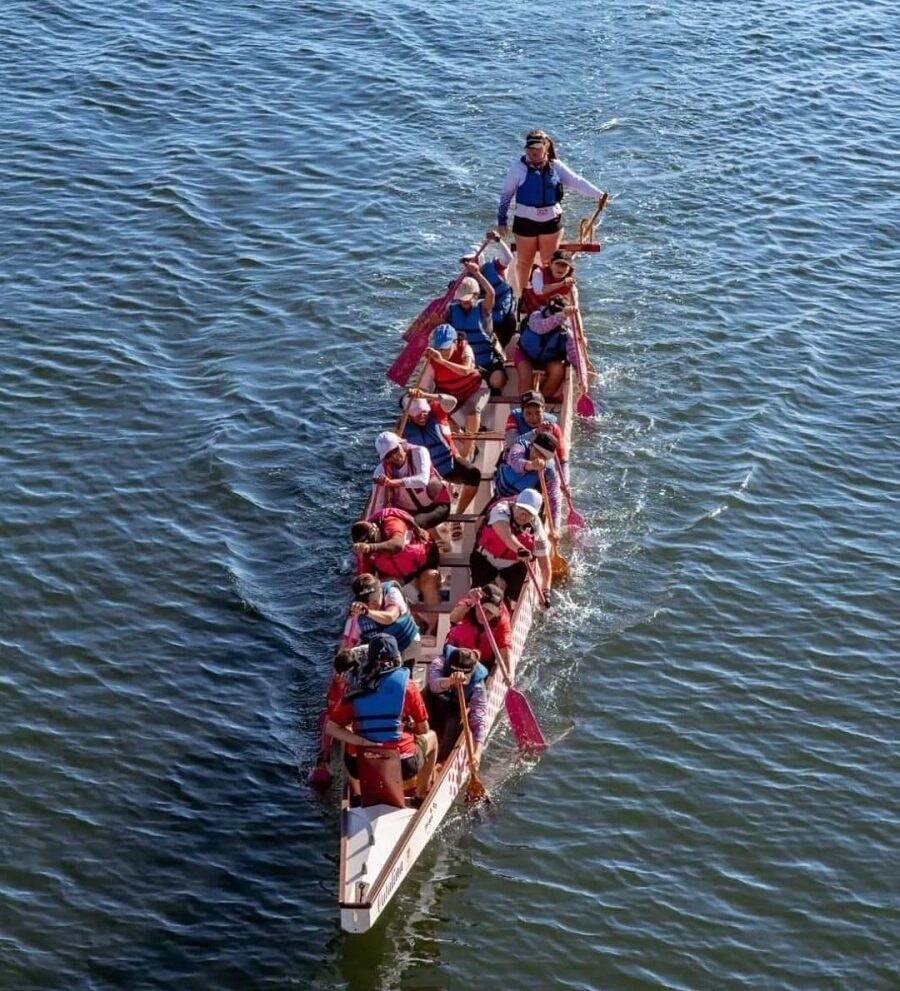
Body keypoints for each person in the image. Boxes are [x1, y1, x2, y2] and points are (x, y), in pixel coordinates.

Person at [325, 633, 438, 807]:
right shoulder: (408, 686)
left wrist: (362, 741)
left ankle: (356, 796)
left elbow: (331, 728)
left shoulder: (355, 686)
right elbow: (423, 729)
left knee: (344, 740)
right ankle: (419, 796)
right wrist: (409, 726)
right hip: (403, 763)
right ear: (396, 657)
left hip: (361, 763)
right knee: (433, 737)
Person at [497, 128, 606, 295]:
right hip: (525, 223)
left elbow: (577, 182)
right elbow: (506, 194)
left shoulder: (556, 167)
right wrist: (502, 220)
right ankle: (522, 297)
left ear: (546, 148)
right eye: (530, 148)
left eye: (538, 148)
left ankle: (547, 298)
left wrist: (599, 195)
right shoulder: (517, 168)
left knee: (548, 263)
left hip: (551, 223)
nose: (533, 152)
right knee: (525, 262)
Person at [401, 391, 482, 537]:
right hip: (428, 474)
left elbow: (451, 401)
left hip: (450, 464)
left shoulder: (437, 413)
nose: (423, 416)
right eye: (417, 413)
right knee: (417, 501)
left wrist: (427, 395)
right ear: (409, 415)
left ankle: (457, 516)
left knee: (473, 474)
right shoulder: (402, 429)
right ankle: (435, 536)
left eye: (424, 411)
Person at [351, 507, 442, 627]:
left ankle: (433, 627)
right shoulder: (366, 554)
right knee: (386, 588)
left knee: (428, 580)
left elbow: (397, 545)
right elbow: (366, 578)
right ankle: (412, 621)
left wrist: (372, 547)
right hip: (399, 573)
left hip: (424, 559)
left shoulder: (392, 521)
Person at [420, 323, 490, 461]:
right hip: (453, 395)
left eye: (446, 347)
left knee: (472, 409)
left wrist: (442, 361)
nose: (443, 352)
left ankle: (466, 456)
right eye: (440, 348)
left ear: (455, 342)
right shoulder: (432, 361)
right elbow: (423, 388)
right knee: (438, 416)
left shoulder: (465, 349)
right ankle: (470, 445)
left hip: (475, 389)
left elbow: (466, 370)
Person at [469, 489, 552, 604]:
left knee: (513, 597)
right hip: (484, 560)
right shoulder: (500, 510)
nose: (523, 516)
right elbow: (507, 536)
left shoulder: (537, 527)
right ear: (515, 504)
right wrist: (520, 549)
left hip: (512, 566)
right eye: (521, 509)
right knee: (481, 597)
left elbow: (545, 566)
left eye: (528, 513)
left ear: (534, 515)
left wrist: (545, 591)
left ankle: (509, 602)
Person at [445, 260, 507, 391]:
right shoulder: (451, 310)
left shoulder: (484, 307)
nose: (464, 301)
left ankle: (492, 391)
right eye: (461, 299)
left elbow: (491, 293)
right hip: (465, 361)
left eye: (468, 298)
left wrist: (477, 273)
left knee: (497, 381)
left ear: (476, 295)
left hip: (488, 360)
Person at [372, 431, 451, 535]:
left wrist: (392, 483)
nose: (394, 457)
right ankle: (436, 539)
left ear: (401, 443)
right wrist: (375, 525)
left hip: (438, 505)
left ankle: (433, 543)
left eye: (395, 450)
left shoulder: (420, 452)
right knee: (397, 529)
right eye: (388, 456)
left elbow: (422, 480)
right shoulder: (381, 471)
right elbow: (378, 503)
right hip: (410, 511)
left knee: (414, 524)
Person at [424, 647, 488, 765]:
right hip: (432, 699)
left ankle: (439, 762)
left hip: (454, 709)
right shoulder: (439, 662)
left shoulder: (477, 685)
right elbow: (433, 685)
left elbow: (479, 719)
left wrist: (477, 754)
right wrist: (450, 681)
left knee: (453, 730)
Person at [494, 428, 562, 533]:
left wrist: (555, 529)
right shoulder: (520, 446)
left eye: (543, 456)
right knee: (480, 523)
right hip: (499, 490)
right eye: (537, 451)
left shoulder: (549, 469)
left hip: (520, 502)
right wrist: (531, 465)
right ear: (531, 445)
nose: (539, 457)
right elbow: (515, 462)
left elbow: (554, 498)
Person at [349, 573, 420, 668]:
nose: (371, 605)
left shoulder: (392, 592)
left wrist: (367, 612)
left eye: (374, 601)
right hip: (381, 651)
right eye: (366, 602)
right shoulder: (355, 609)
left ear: (380, 591)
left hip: (406, 643)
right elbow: (348, 641)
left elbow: (391, 617)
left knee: (401, 675)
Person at [516, 295, 578, 400]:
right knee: (525, 373)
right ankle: (525, 404)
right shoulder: (536, 316)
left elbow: (573, 356)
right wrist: (561, 315)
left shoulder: (567, 332)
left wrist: (580, 372)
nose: (550, 315)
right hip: (525, 354)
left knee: (558, 370)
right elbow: (542, 327)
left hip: (549, 359)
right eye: (550, 312)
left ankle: (542, 402)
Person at [504, 390, 569, 488]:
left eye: (537, 413)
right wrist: (535, 432)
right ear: (522, 411)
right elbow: (510, 444)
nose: (534, 418)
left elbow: (562, 460)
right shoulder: (513, 418)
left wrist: (565, 483)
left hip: (542, 469)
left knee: (551, 465)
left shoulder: (553, 427)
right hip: (514, 462)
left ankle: (552, 490)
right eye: (528, 413)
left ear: (543, 409)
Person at [445, 583, 512, 674]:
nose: (484, 614)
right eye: (483, 609)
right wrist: (470, 603)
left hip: (481, 663)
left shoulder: (502, 621)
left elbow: (505, 648)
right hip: (455, 654)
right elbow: (453, 618)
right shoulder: (469, 603)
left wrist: (509, 673)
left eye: (489, 612)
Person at [478, 231, 517, 347]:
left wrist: (498, 241)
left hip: (503, 316)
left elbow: (509, 258)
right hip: (484, 318)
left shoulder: (494, 267)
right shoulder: (465, 279)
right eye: (466, 261)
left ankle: (501, 348)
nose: (470, 264)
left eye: (474, 260)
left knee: (511, 321)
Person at [520, 249, 577, 317]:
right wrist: (562, 284)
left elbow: (575, 308)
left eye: (564, 265)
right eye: (557, 263)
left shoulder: (571, 282)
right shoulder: (538, 272)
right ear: (550, 264)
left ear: (569, 269)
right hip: (535, 306)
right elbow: (539, 290)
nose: (560, 268)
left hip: (554, 309)